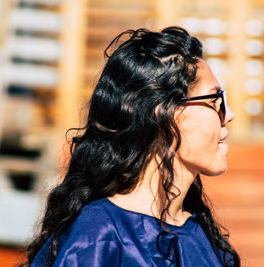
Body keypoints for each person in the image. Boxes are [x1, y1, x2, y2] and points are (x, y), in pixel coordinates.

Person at [23, 26, 240, 267]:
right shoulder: (98, 236)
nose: (228, 114)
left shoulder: (201, 236)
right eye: (214, 100)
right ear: (164, 114)